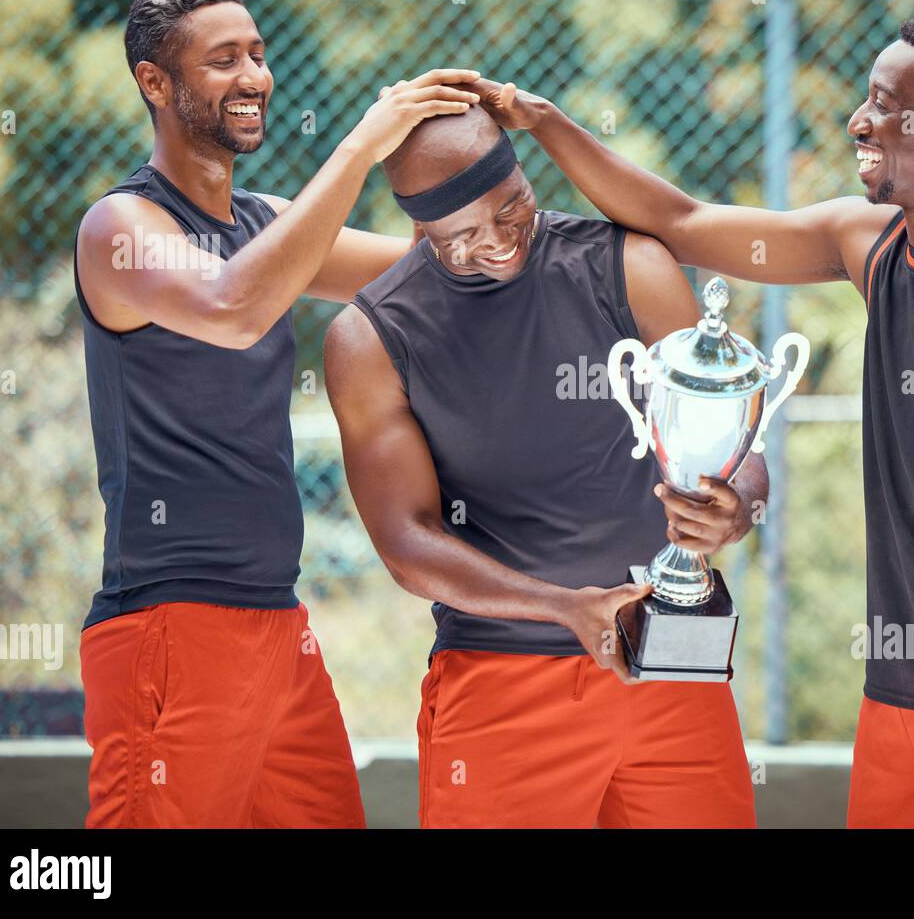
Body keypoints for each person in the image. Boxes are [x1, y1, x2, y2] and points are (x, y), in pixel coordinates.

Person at [470, 12, 914, 827]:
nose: (860, 118)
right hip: (899, 686)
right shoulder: (869, 241)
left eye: (886, 104)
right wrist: (544, 121)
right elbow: (681, 225)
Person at [74, 0, 480, 827]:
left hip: (276, 624)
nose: (254, 74)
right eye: (222, 60)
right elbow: (231, 306)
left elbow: (424, 273)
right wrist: (358, 149)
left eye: (257, 53)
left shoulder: (263, 223)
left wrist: (433, 151)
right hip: (169, 624)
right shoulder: (120, 228)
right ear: (156, 83)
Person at [324, 104, 765, 827]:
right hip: (501, 681)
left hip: (665, 659)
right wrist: (565, 606)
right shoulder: (371, 337)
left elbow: (737, 442)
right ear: (417, 225)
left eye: (513, 208)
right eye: (463, 235)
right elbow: (407, 544)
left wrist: (738, 499)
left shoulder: (627, 266)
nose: (499, 242)